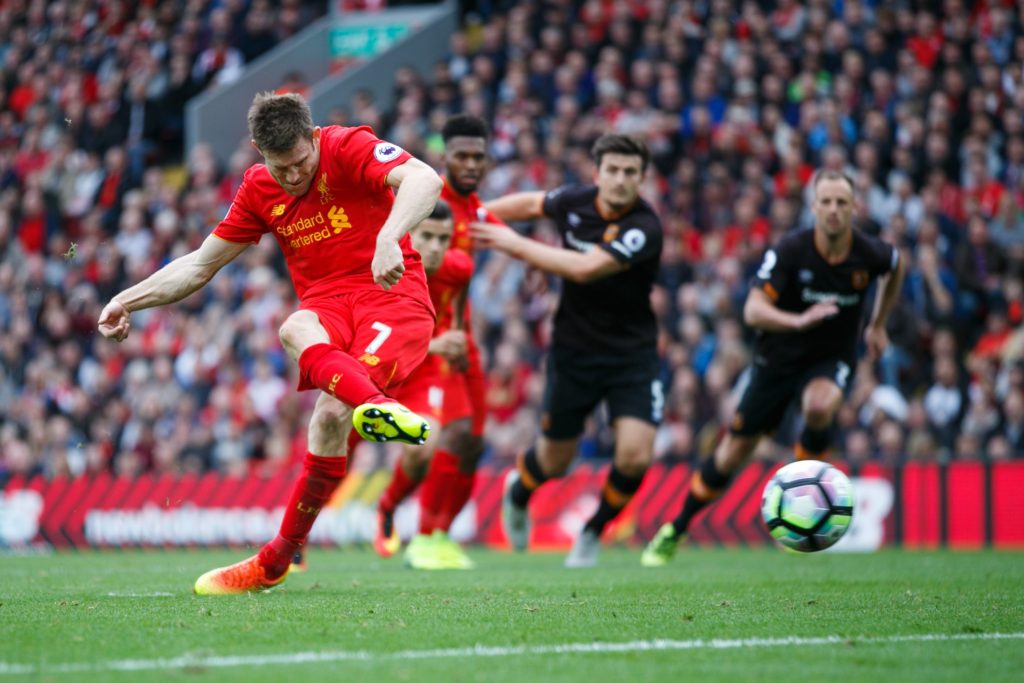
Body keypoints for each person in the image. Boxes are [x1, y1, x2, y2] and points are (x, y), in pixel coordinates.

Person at [96, 92, 442, 594]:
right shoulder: (259, 189)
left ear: (313, 136)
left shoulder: (347, 147)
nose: (294, 176)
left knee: (329, 406)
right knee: (301, 351)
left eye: (302, 162)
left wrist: (391, 235)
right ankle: (280, 557)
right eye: (282, 168)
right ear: (259, 151)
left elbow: (424, 178)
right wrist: (127, 300)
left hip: (391, 297)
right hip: (329, 305)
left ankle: (364, 416)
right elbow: (199, 265)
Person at [640, 170, 905, 567]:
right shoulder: (791, 250)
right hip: (776, 360)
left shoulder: (869, 252)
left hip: (830, 357)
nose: (833, 210)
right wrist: (798, 321)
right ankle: (676, 527)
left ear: (853, 208)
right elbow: (752, 310)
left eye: (841, 203)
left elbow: (896, 266)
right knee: (731, 455)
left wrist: (879, 323)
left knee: (819, 406)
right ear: (813, 207)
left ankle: (804, 503)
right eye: (826, 202)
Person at [471, 133, 664, 568]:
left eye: (629, 172)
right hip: (573, 352)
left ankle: (593, 532)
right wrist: (474, 214)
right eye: (612, 170)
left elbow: (584, 268)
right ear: (597, 174)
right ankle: (518, 493)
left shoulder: (644, 227)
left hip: (632, 356)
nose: (620, 179)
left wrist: (515, 245)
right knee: (555, 460)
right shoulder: (577, 201)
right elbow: (532, 204)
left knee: (634, 454)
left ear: (642, 179)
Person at [374, 114, 502, 568]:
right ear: (444, 157)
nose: (470, 163)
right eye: (460, 156)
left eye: (477, 156)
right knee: (433, 441)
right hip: (408, 346)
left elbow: (461, 302)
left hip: (449, 345)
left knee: (470, 440)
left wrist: (461, 340)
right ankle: (397, 517)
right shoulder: (421, 198)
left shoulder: (471, 223)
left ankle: (436, 534)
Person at [373, 199, 478, 570]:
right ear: (408, 234)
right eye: (428, 236)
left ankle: (411, 522)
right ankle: (297, 542)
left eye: (443, 239)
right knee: (336, 436)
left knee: (439, 442)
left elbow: (458, 307)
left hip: (428, 368)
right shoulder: (387, 268)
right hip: (385, 362)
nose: (435, 247)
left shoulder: (459, 268)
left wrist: (459, 336)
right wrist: (438, 341)